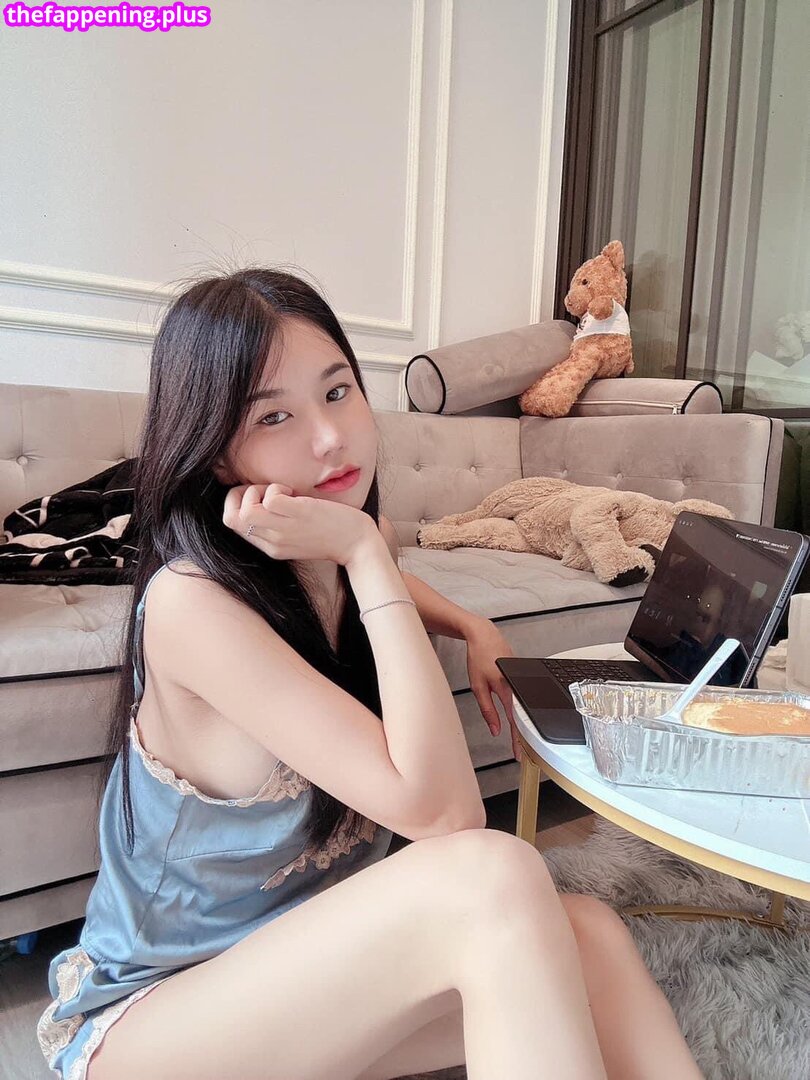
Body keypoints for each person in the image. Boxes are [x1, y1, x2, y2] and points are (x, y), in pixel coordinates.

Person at [36, 268, 703, 1080]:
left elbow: (385, 587)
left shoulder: (327, 545)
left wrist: (467, 621)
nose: (329, 437)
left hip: (299, 988)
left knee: (589, 932)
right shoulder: (193, 604)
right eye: (274, 416)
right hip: (160, 1023)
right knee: (490, 876)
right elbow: (447, 817)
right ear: (216, 454)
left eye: (338, 391)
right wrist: (366, 553)